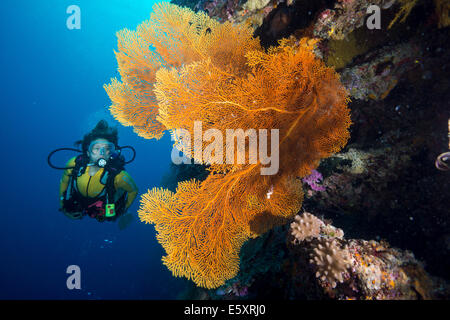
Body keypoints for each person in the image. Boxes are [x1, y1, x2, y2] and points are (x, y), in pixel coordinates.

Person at [59, 120, 138, 222]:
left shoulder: (118, 176)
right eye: (96, 148)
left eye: (107, 148)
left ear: (112, 152)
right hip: (80, 202)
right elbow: (64, 182)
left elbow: (133, 190)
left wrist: (122, 209)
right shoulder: (74, 164)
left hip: (105, 206)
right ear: (88, 152)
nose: (101, 153)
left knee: (110, 217)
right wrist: (63, 206)